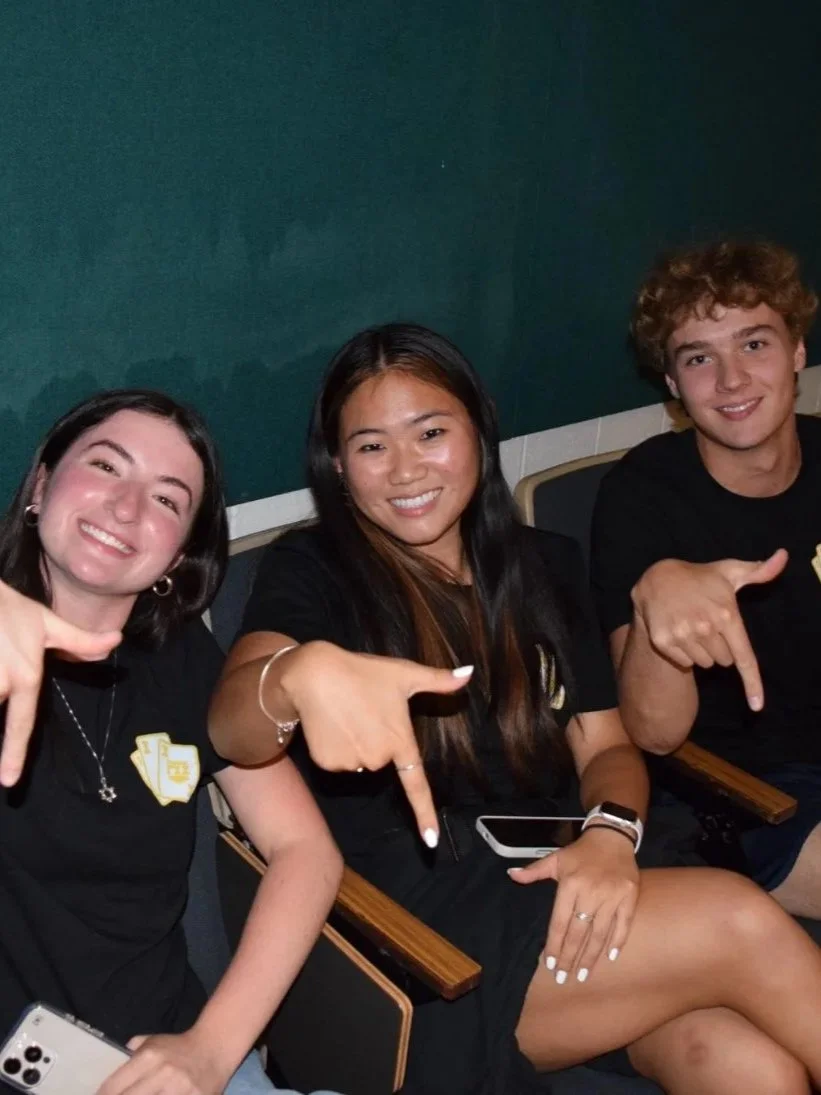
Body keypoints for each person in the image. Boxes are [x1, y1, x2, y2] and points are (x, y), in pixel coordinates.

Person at [210, 323, 821, 1095]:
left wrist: (610, 833)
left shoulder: (543, 565)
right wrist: (292, 676)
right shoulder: (314, 570)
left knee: (749, 1067)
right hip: (427, 933)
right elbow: (231, 724)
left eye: (430, 433)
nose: (405, 469)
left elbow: (608, 746)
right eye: (370, 446)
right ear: (337, 464)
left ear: (477, 429)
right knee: (739, 920)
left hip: (567, 872)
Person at [0, 390, 343, 1095]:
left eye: (166, 498)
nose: (126, 508)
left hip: (174, 1056)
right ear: (41, 484)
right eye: (106, 465)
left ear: (177, 554)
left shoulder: (180, 657)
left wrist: (213, 1047)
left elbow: (305, 850)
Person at [590, 239, 821, 914]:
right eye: (698, 358)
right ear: (672, 384)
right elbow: (655, 735)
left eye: (754, 344)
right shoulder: (642, 497)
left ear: (797, 351)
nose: (730, 380)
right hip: (750, 797)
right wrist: (658, 598)